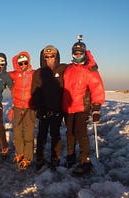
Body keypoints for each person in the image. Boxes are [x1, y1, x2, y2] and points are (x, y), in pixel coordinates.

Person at [62, 36, 105, 175]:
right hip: (68, 107)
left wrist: (96, 108)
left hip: (82, 107)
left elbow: (97, 88)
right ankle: (70, 157)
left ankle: (85, 161)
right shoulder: (69, 69)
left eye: (80, 53)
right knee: (70, 133)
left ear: (84, 53)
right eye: (75, 53)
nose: (77, 55)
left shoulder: (89, 70)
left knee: (81, 134)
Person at [31, 45, 67, 170]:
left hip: (58, 110)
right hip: (44, 110)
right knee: (42, 135)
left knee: (55, 135)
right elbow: (35, 92)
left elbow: (78, 69)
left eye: (52, 56)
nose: (49, 59)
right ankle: (40, 159)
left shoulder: (63, 69)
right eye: (46, 57)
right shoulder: (38, 73)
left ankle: (55, 159)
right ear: (43, 57)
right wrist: (40, 109)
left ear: (56, 57)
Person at [9, 52, 36, 170]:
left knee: (29, 133)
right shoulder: (15, 74)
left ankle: (28, 157)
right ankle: (19, 153)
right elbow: (2, 76)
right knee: (17, 132)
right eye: (20, 63)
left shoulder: (34, 74)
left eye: (25, 62)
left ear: (28, 61)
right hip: (18, 107)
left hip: (30, 108)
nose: (23, 65)